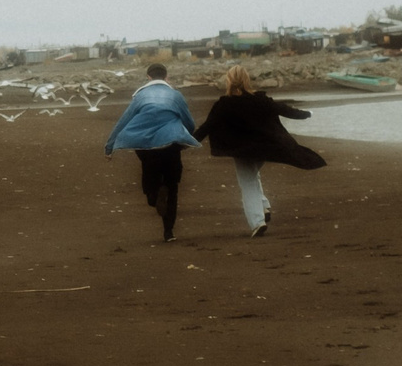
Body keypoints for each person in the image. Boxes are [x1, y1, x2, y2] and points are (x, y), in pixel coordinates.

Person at [197, 65, 326, 237]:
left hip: (242, 150)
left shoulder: (224, 104)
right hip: (263, 149)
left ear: (228, 81)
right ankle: (264, 206)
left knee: (247, 183)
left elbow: (207, 126)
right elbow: (284, 109)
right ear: (246, 80)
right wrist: (307, 114)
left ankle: (257, 222)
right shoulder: (260, 99)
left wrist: (188, 142)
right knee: (253, 177)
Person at [102, 64, 199, 242]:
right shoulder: (175, 95)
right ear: (166, 76)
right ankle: (168, 232)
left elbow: (124, 120)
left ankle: (153, 196)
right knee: (173, 187)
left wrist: (109, 146)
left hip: (146, 146)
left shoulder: (140, 96)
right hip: (171, 144)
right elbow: (189, 121)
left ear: (148, 77)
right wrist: (186, 138)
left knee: (150, 175)